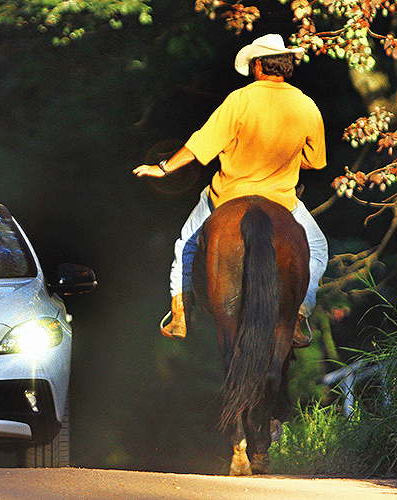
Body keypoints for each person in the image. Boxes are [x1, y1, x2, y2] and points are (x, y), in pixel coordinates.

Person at [133, 33, 328, 348]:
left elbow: (201, 144)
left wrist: (163, 168)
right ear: (285, 64)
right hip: (281, 200)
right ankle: (299, 312)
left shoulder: (240, 100)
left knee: (187, 244)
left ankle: (180, 314)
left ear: (259, 66)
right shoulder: (306, 105)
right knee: (317, 248)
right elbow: (315, 161)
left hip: (227, 197)